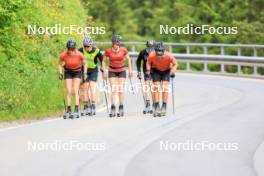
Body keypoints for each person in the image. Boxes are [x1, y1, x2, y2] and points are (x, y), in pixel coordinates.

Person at [102, 35, 133, 117]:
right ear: (112, 43)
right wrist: (104, 71)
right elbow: (103, 61)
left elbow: (129, 59)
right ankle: (112, 107)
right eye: (115, 43)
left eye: (118, 43)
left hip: (121, 70)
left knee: (121, 89)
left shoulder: (123, 50)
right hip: (112, 70)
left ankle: (121, 106)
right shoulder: (108, 51)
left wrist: (130, 69)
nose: (116, 44)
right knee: (113, 89)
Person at [146, 42, 177, 117]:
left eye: (161, 54)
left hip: (166, 71)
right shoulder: (152, 55)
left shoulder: (169, 55)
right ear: (155, 51)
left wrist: (173, 71)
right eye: (158, 54)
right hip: (156, 70)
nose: (159, 56)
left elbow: (175, 63)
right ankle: (156, 105)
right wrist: (148, 71)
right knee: (156, 87)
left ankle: (164, 106)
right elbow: (148, 63)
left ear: (163, 51)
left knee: (165, 87)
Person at [58, 39, 87, 119]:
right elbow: (60, 64)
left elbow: (85, 63)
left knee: (75, 89)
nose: (70, 50)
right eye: (69, 49)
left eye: (72, 49)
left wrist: (84, 73)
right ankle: (68, 109)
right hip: (68, 72)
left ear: (74, 48)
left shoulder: (79, 54)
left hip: (77, 72)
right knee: (68, 90)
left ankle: (77, 108)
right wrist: (60, 73)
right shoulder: (64, 54)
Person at [79, 36, 103, 116]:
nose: (86, 48)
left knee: (91, 88)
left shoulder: (96, 51)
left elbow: (102, 60)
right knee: (85, 88)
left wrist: (103, 68)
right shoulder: (81, 50)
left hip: (93, 70)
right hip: (84, 71)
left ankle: (93, 106)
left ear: (91, 45)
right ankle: (86, 106)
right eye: (85, 46)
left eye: (88, 46)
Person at [136, 40, 156, 114]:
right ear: (146, 46)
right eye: (149, 46)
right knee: (147, 86)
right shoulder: (143, 52)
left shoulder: (156, 52)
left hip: (155, 71)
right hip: (146, 71)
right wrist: (139, 71)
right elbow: (138, 61)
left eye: (152, 47)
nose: (150, 48)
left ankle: (155, 103)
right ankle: (148, 104)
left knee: (153, 87)